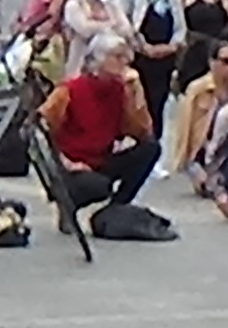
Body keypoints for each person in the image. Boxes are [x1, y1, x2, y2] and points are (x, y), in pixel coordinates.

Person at [41, 33, 167, 225]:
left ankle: (116, 209)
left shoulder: (120, 90)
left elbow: (143, 132)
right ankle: (67, 204)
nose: (124, 62)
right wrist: (66, 162)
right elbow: (40, 129)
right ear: (99, 60)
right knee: (99, 186)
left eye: (125, 57)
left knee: (151, 148)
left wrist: (136, 94)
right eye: (117, 57)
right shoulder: (70, 90)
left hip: (101, 159)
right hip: (72, 164)